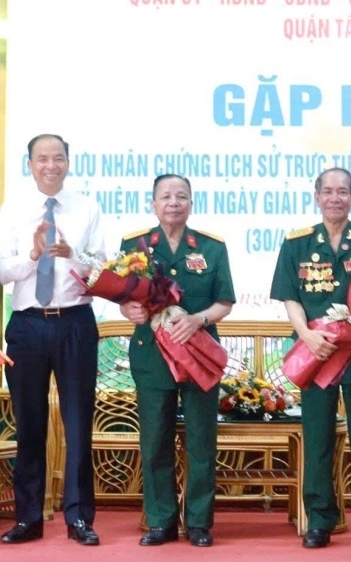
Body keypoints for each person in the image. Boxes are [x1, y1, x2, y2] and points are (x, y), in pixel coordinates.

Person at [269, 167, 351, 550]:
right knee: (318, 438)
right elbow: (290, 296)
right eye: (328, 191)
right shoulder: (297, 243)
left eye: (343, 191)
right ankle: (320, 521)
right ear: (317, 196)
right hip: (318, 352)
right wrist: (306, 335)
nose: (335, 198)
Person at [0, 134, 106, 546]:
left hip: (75, 322)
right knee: (28, 424)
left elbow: (102, 268)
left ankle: (79, 518)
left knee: (78, 424)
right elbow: (2, 273)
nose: (50, 165)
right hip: (28, 324)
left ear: (68, 162)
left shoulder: (87, 207)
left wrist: (73, 254)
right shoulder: (13, 208)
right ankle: (28, 517)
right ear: (29, 164)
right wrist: (33, 254)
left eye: (58, 158)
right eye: (42, 159)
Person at [119, 174, 235, 548]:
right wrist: (130, 310)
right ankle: (161, 521)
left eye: (181, 196)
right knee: (155, 439)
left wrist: (198, 319)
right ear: (153, 203)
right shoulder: (134, 245)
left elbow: (224, 302)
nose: (173, 203)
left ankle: (199, 522)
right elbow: (124, 298)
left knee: (201, 439)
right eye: (166, 197)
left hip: (198, 353)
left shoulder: (212, 247)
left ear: (191, 203)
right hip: (152, 356)